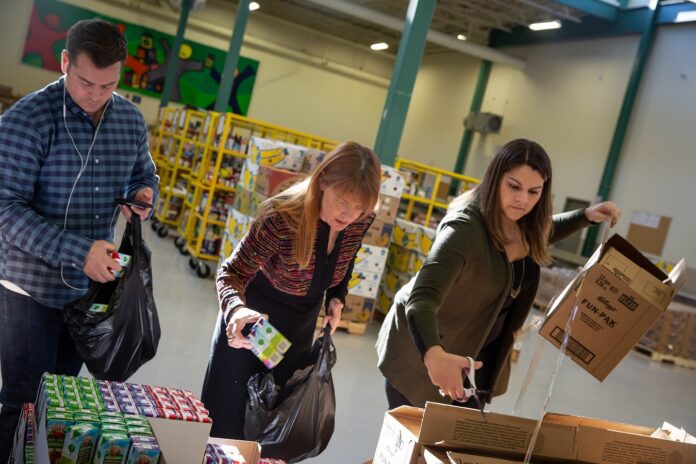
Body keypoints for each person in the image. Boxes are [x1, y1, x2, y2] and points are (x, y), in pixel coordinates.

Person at [0, 18, 159, 459]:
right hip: (28, 287)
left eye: (107, 85)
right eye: (86, 82)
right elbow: (5, 210)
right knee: (23, 403)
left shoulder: (128, 121)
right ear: (65, 62)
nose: (95, 95)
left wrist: (145, 196)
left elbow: (144, 174)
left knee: (62, 404)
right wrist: (77, 251)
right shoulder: (27, 120)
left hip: (88, 290)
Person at [376, 138, 621, 409]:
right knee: (415, 444)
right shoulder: (463, 231)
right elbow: (422, 300)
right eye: (514, 186)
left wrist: (586, 216)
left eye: (534, 192)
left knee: (453, 444)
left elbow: (544, 230)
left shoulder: (525, 227)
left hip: (473, 362)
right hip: (424, 353)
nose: (522, 200)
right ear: (495, 179)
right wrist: (434, 356)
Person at [201, 141, 381, 440]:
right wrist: (236, 309)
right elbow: (231, 273)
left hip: (297, 334)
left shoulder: (360, 220)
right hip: (251, 328)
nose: (349, 214)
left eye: (360, 207)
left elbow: (343, 262)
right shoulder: (281, 219)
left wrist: (337, 297)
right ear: (323, 181)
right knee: (228, 431)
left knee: (274, 433)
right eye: (343, 202)